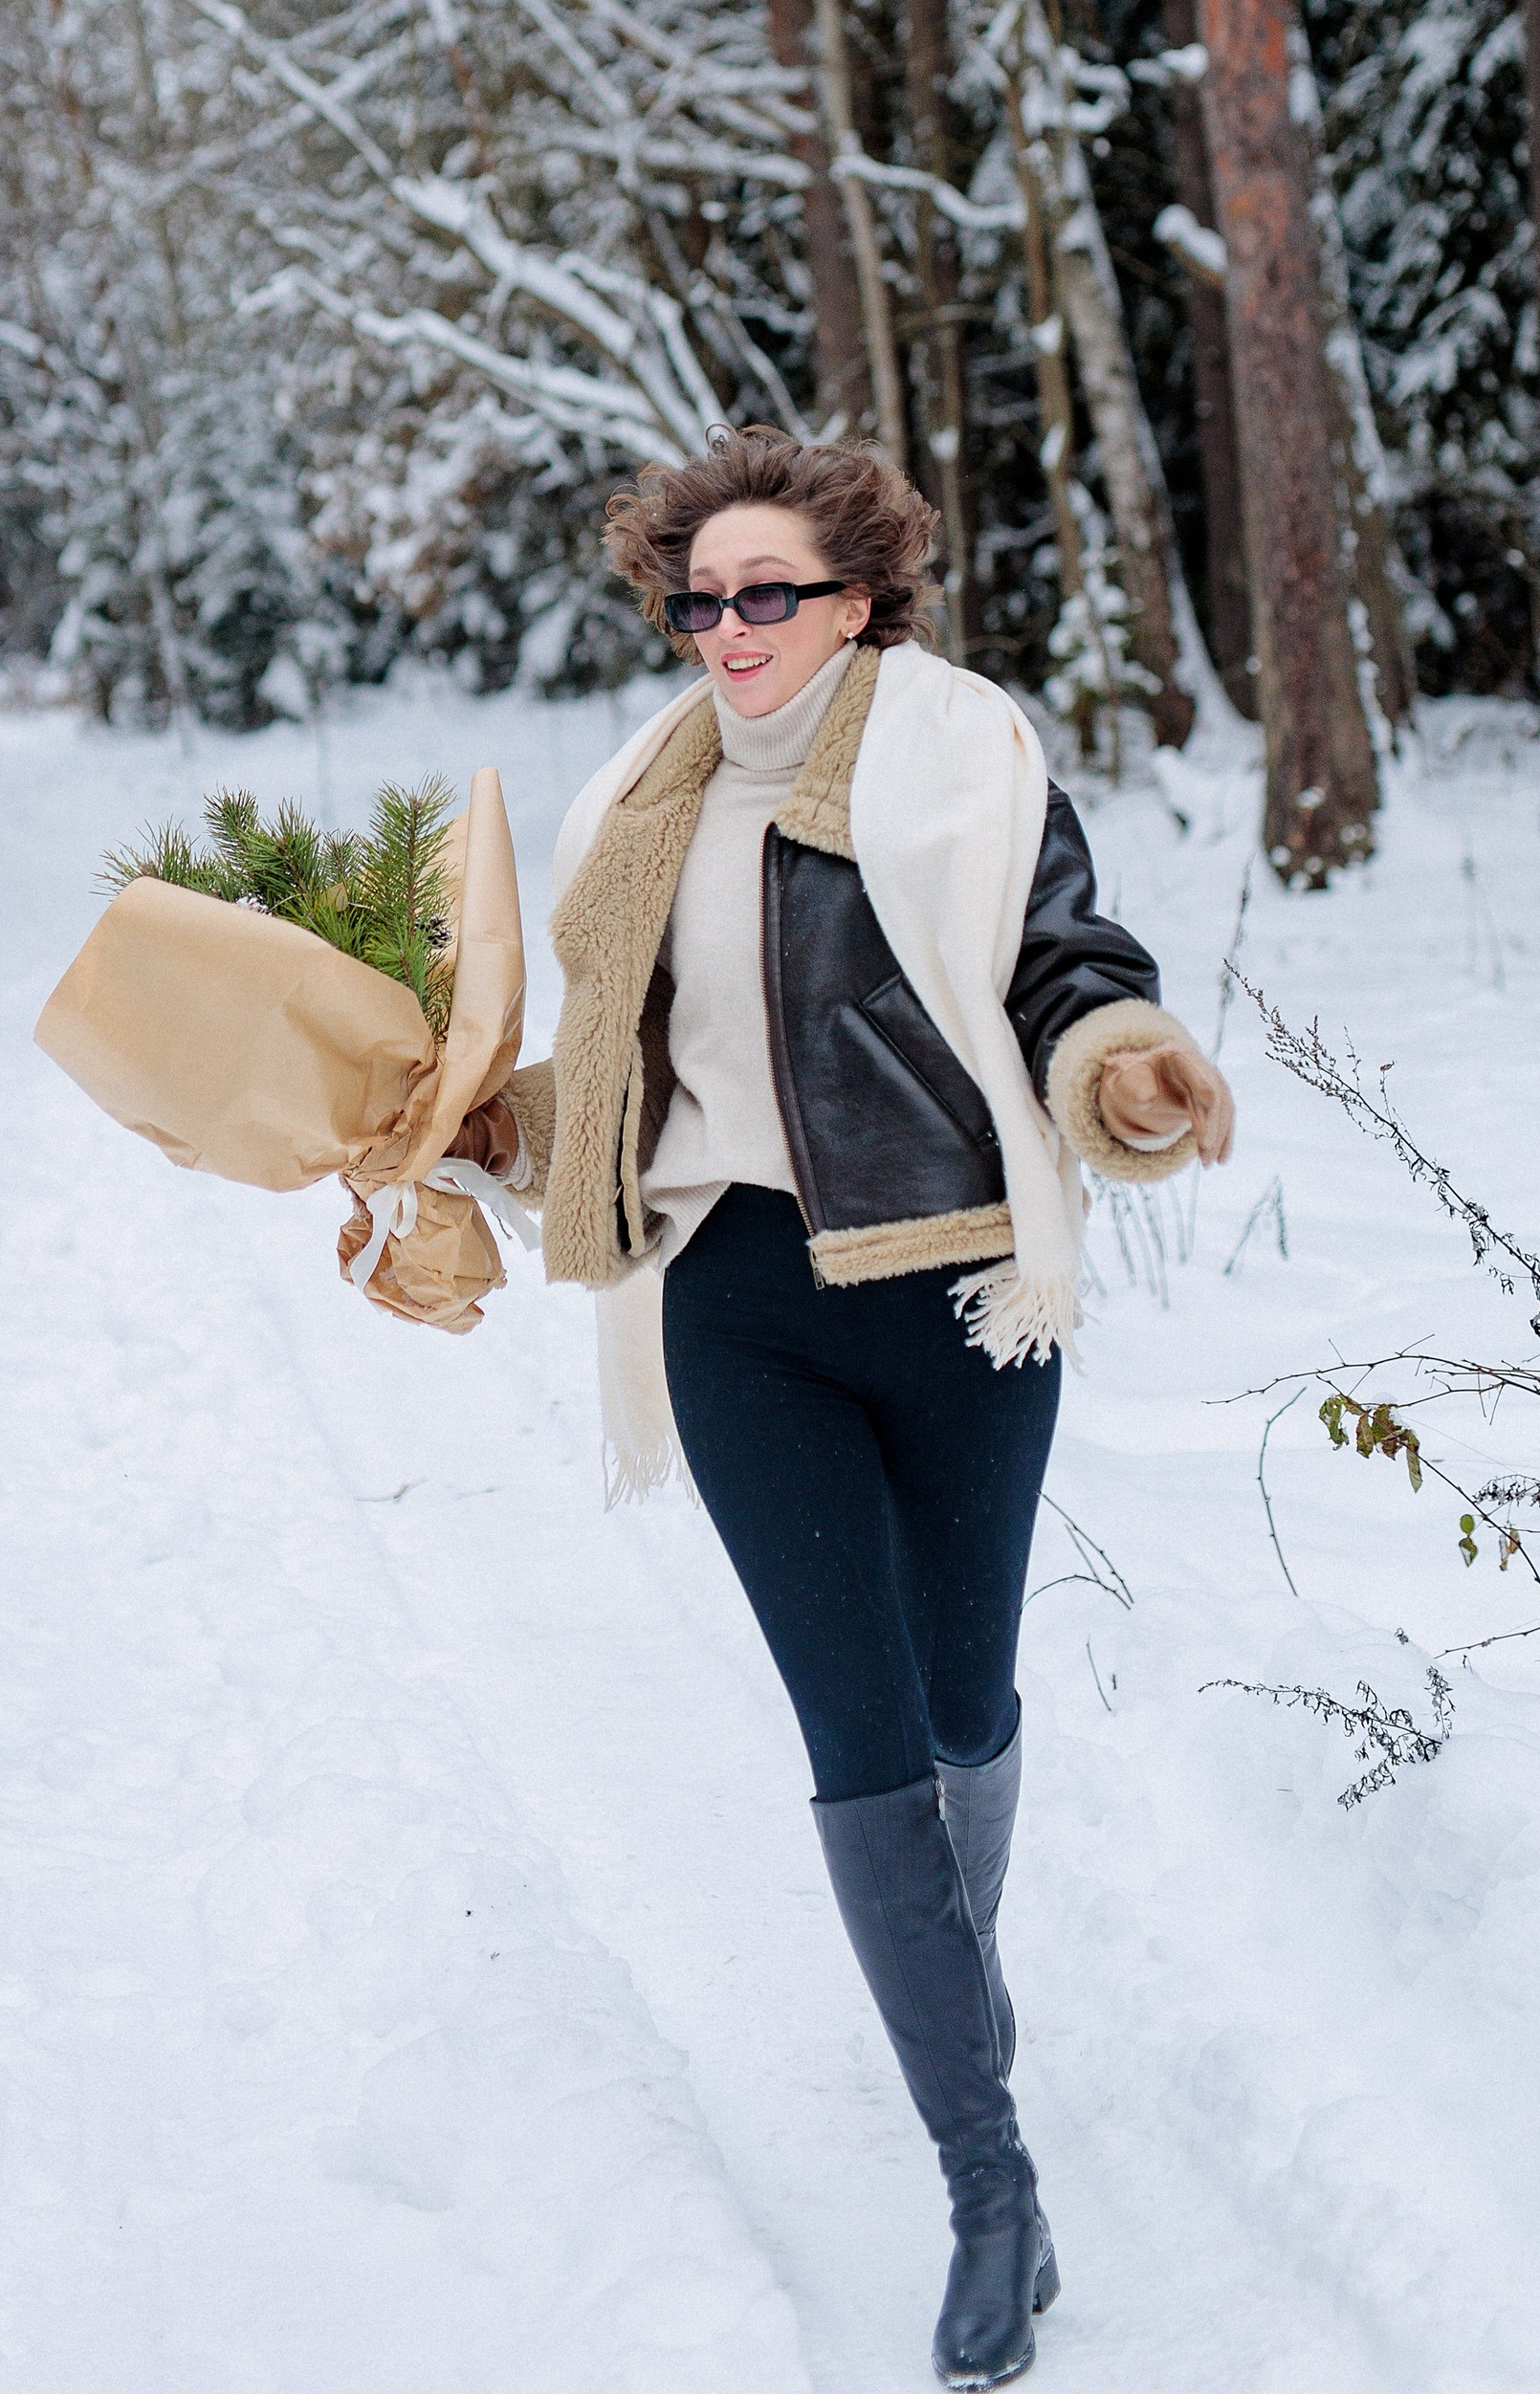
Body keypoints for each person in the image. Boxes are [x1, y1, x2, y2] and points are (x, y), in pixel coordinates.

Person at [474, 429, 1233, 2394]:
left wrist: (1123, 1064)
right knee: (859, 1735)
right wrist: (483, 1122)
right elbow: (614, 1090)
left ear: (856, 600)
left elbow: (1062, 962)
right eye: (696, 598)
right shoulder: (628, 813)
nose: (724, 632)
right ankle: (987, 2182)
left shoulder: (961, 758)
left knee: (966, 1703)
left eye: (764, 596)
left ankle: (944, 1995)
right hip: (735, 1305)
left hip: (959, 1282)